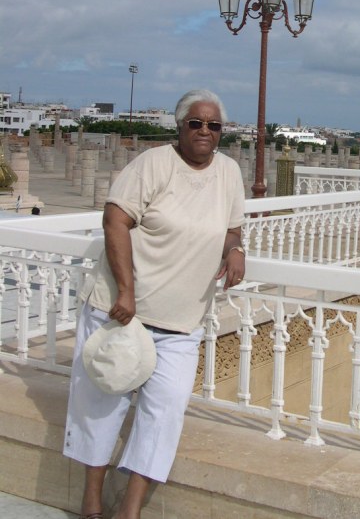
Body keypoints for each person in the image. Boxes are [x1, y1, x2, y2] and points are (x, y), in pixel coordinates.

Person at [64, 89, 246, 519]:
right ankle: (91, 504)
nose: (205, 131)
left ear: (222, 132)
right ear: (180, 126)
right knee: (101, 406)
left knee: (163, 415)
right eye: (196, 123)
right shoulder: (152, 165)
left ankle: (130, 511)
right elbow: (115, 220)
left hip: (182, 322)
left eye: (214, 125)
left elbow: (232, 227)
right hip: (122, 313)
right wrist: (126, 291)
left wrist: (235, 250)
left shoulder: (229, 173)